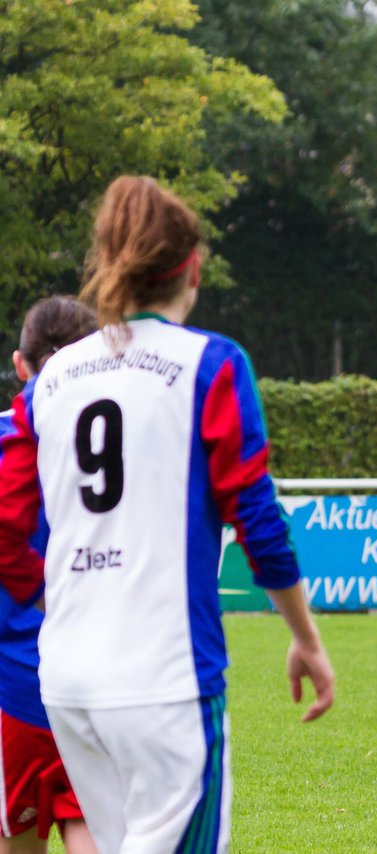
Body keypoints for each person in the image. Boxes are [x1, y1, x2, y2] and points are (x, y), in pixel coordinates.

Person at [0, 175, 335, 853]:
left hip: (65, 677)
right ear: (192, 268)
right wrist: (306, 637)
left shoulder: (51, 382)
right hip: (162, 676)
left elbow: (8, 521)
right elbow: (257, 517)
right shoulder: (209, 362)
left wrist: (46, 593)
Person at [0, 298, 98, 854]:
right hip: (102, 675)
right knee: (91, 826)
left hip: (16, 685)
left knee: (18, 839)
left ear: (21, 363)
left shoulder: (9, 437)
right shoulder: (120, 448)